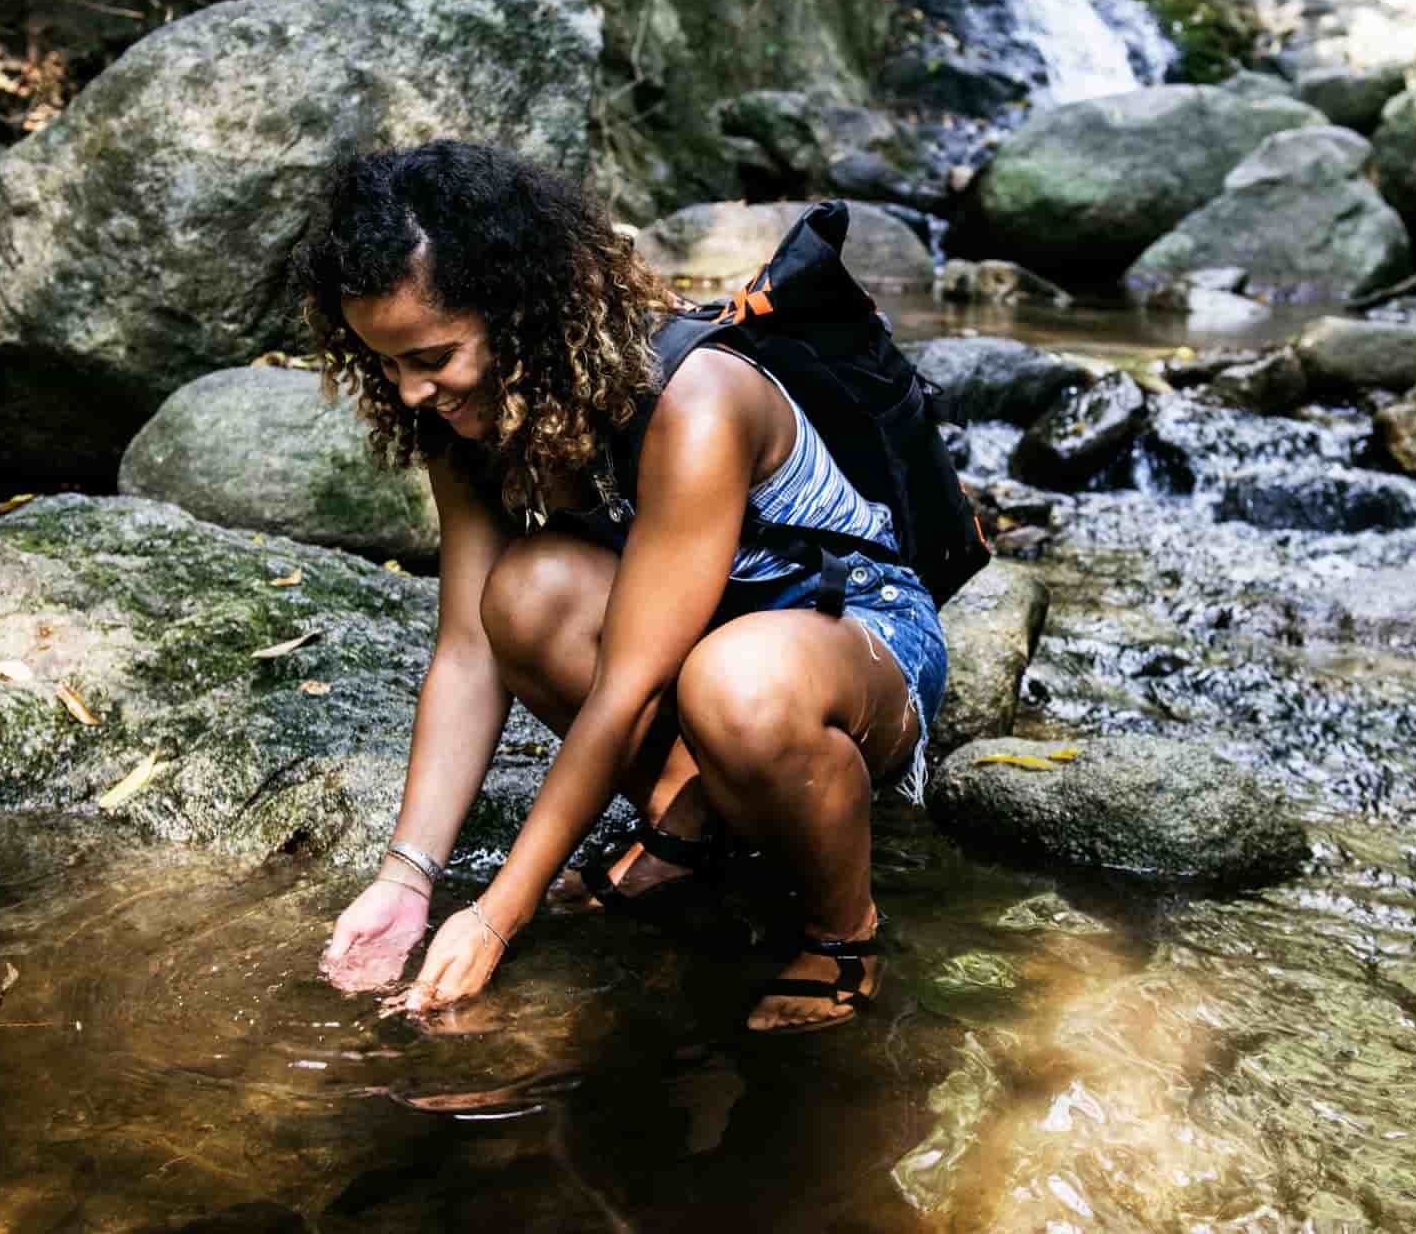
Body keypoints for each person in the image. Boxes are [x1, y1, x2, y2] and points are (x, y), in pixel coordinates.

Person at [297, 142, 948, 1034]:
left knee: (737, 685)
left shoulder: (696, 396)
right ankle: (689, 829)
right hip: (701, 643)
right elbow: (467, 652)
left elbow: (629, 686)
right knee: (524, 593)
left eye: (432, 356)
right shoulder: (466, 417)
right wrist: (404, 879)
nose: (410, 391)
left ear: (516, 312)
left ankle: (845, 935)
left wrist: (497, 913)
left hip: (849, 633)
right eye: (386, 363)